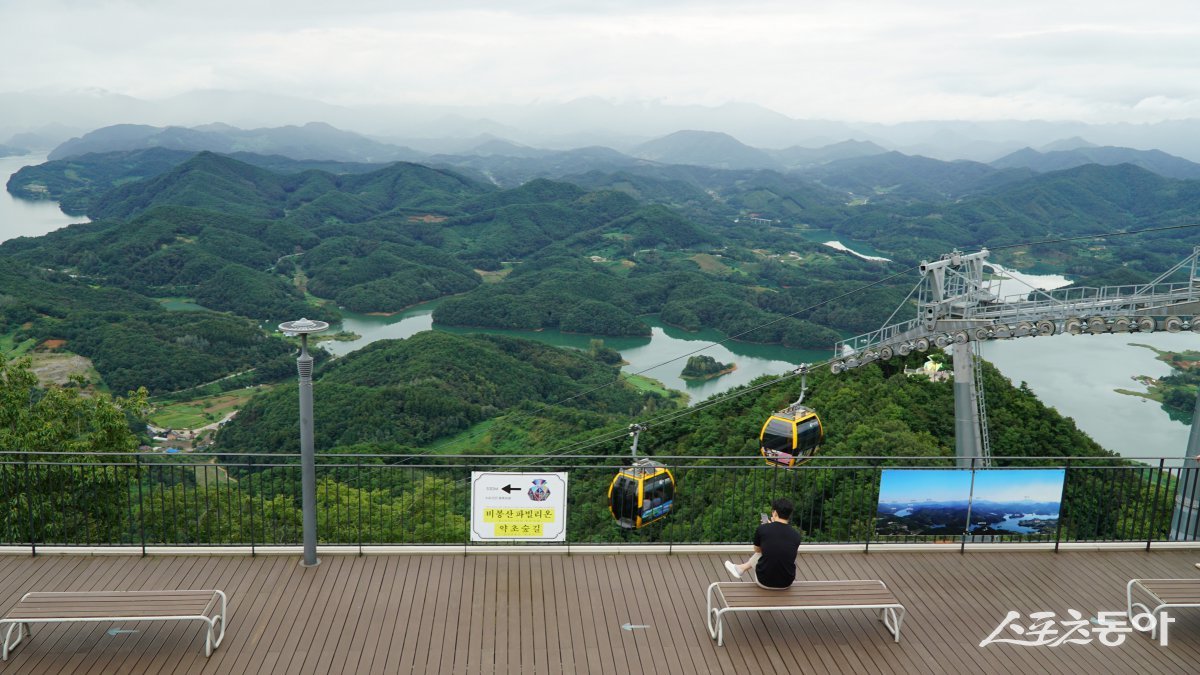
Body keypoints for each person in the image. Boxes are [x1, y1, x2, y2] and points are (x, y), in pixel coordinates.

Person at [723, 498, 802, 589]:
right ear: (789, 515)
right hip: (786, 583)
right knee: (783, 554)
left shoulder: (763, 529)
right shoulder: (796, 535)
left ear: (775, 513)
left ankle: (741, 568)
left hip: (764, 581)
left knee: (762, 553)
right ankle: (740, 568)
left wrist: (768, 528)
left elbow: (757, 550)